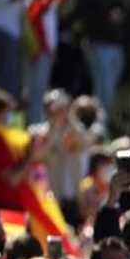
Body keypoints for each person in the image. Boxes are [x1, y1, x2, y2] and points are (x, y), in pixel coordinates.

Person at [75, 0, 126, 116]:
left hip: (115, 43)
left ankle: (100, 122)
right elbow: (82, 16)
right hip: (97, 43)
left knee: (109, 88)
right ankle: (99, 125)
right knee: (104, 90)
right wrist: (106, 17)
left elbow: (122, 10)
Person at [31, 90, 96, 224]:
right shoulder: (37, 132)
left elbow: (86, 144)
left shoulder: (75, 131)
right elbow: (37, 156)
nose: (58, 111)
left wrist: (70, 119)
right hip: (50, 198)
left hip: (75, 199)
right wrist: (54, 128)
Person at [21, 0, 64, 124]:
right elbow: (30, 5)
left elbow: (50, 12)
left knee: (38, 90)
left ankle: (32, 128)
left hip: (47, 42)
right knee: (26, 87)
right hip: (30, 37)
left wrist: (52, 45)